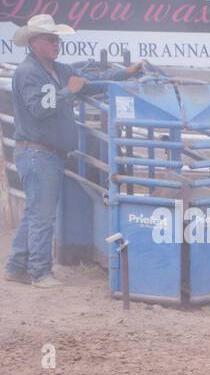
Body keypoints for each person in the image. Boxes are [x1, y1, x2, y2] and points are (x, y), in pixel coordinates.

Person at [3, 15, 141, 288]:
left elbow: (91, 79)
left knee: (36, 211)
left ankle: (16, 266)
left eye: (57, 38)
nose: (57, 43)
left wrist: (125, 72)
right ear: (34, 43)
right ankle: (39, 272)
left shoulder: (55, 69)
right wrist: (68, 92)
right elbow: (39, 109)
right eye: (50, 39)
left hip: (42, 152)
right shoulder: (30, 72)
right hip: (38, 153)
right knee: (42, 215)